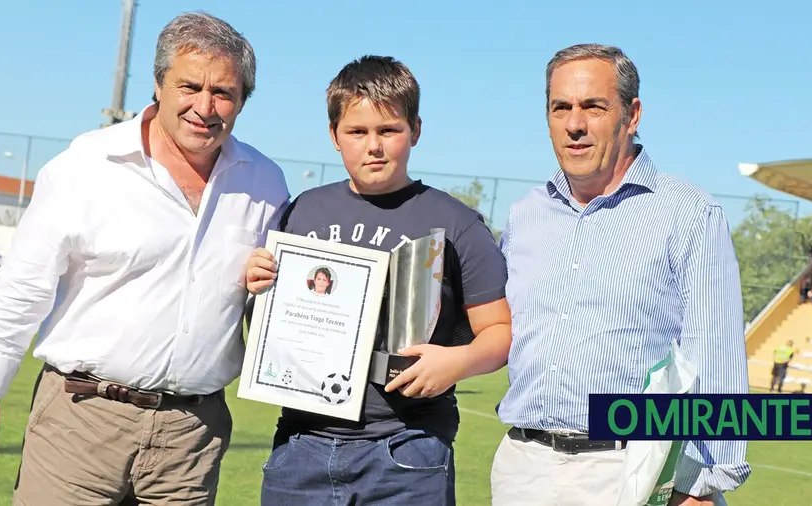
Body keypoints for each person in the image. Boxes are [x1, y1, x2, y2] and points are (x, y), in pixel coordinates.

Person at [0, 12, 290, 505]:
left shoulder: (264, 183)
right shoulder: (86, 166)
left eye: (223, 92)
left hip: (192, 436)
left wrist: (268, 284)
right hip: (81, 419)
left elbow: (273, 302)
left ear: (242, 101)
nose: (205, 106)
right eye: (190, 86)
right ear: (159, 85)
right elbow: (23, 286)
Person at [490, 44, 751, 506]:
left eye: (593, 106)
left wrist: (700, 481)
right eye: (561, 107)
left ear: (632, 115)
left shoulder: (688, 212)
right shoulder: (524, 215)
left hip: (630, 471)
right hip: (521, 468)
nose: (574, 123)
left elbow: (716, 353)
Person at [244, 55, 512, 505]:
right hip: (301, 441)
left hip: (405, 446)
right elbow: (267, 325)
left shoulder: (455, 221)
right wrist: (257, 284)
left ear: (415, 131)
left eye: (389, 130)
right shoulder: (301, 211)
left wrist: (456, 363)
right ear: (334, 136)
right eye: (357, 131)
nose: (374, 146)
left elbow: (499, 333)